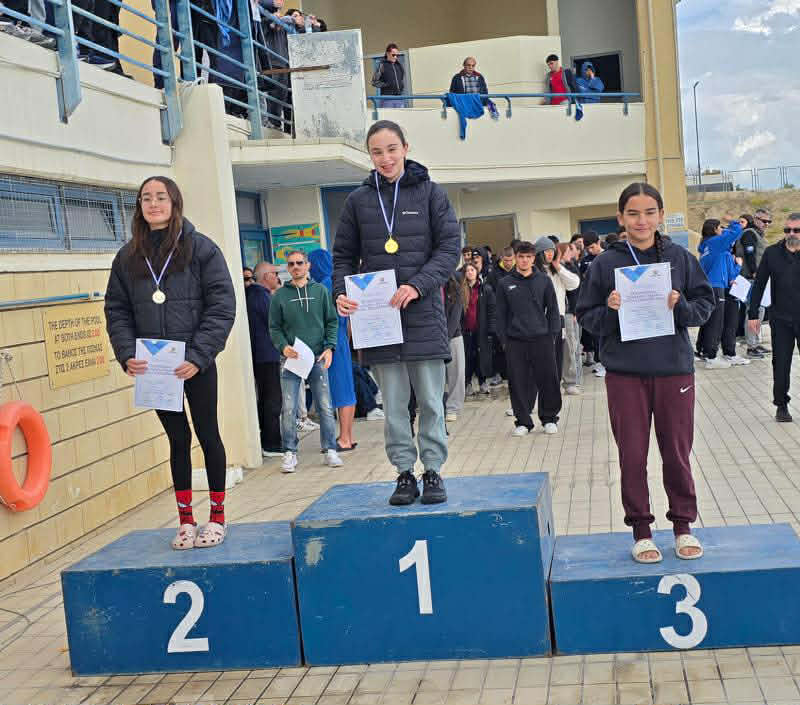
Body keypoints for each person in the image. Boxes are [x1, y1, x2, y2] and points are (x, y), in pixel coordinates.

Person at [576, 182, 715, 563]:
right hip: (626, 374)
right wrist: (610, 311)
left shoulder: (680, 258)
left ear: (660, 215)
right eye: (633, 213)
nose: (642, 221)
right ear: (620, 218)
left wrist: (680, 306)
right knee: (633, 455)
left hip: (673, 370)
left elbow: (705, 305)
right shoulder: (605, 263)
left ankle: (683, 525)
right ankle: (641, 530)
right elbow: (586, 315)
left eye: (650, 212)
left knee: (677, 452)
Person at [333, 120, 460, 506]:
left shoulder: (431, 194)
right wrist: (341, 293)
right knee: (393, 406)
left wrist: (417, 285)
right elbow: (343, 256)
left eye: (391, 149)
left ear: (405, 148)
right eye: (377, 152)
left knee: (431, 401)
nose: (385, 158)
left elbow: (449, 249)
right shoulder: (358, 201)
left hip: (423, 315)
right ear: (369, 156)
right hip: (378, 320)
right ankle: (404, 472)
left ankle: (433, 469)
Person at [105, 176, 235, 550]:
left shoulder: (201, 248)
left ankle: (217, 517)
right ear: (139, 206)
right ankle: (185, 521)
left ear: (174, 202)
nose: (153, 204)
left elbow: (222, 306)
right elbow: (116, 309)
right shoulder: (128, 256)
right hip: (156, 368)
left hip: (194, 364)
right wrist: (126, 353)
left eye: (161, 197)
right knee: (177, 439)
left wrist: (198, 356)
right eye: (146, 198)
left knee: (208, 433)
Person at [268, 250, 342, 472]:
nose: (296, 267)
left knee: (325, 406)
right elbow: (274, 327)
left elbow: (331, 321)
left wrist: (329, 347)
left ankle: (330, 449)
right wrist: (283, 346)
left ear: (308, 265)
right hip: (291, 359)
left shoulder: (320, 291)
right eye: (291, 264)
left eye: (300, 263)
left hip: (317, 357)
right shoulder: (279, 296)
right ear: (287, 268)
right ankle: (289, 452)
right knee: (289, 407)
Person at [495, 240, 562, 436]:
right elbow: (500, 314)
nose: (525, 260)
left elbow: (553, 309)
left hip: (542, 338)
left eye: (528, 257)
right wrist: (505, 341)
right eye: (521, 257)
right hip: (515, 341)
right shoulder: (505, 283)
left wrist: (552, 334)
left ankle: (549, 418)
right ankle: (523, 421)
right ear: (516, 258)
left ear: (534, 258)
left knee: (548, 379)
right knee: (518, 382)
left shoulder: (544, 280)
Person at [749, 213, 800, 423]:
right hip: (781, 319)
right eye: (787, 230)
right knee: (781, 364)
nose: (791, 234)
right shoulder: (772, 253)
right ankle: (781, 405)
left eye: (796, 230)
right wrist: (753, 314)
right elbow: (759, 284)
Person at [308, 249, 358, 451]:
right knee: (346, 387)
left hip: (330, 342)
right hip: (340, 340)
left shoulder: (324, 285)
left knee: (341, 390)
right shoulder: (337, 283)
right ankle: (347, 436)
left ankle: (344, 439)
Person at [696, 217, 747, 368]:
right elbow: (736, 231)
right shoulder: (715, 243)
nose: (723, 231)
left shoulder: (709, 247)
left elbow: (729, 273)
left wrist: (736, 267)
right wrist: (733, 222)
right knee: (715, 323)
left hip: (716, 286)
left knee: (717, 322)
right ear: (714, 229)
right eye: (720, 228)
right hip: (716, 286)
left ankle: (720, 353)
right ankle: (711, 357)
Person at [246, 262, 284, 457]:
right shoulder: (261, 296)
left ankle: (268, 441)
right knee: (272, 399)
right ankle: (271, 443)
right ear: (266, 276)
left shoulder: (253, 294)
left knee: (266, 398)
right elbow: (275, 323)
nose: (277, 277)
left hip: (260, 354)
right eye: (275, 273)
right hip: (266, 355)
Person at [534, 237, 579, 383]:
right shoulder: (534, 271)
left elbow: (574, 283)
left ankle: (564, 382)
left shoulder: (558, 270)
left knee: (562, 351)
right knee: (544, 354)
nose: (550, 254)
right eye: (546, 251)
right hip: (539, 320)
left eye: (552, 251)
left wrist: (558, 266)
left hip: (558, 318)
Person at [736, 209, 771, 359]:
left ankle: (755, 343)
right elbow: (750, 254)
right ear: (756, 219)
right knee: (754, 311)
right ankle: (751, 347)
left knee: (759, 310)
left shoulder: (757, 234)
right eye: (764, 221)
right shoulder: (750, 233)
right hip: (750, 278)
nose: (767, 224)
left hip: (755, 278)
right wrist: (755, 272)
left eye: (769, 222)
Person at [462, 262, 496, 395]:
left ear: (477, 272)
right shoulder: (461, 290)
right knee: (467, 357)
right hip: (466, 330)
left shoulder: (485, 289)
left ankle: (482, 382)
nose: (470, 272)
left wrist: (491, 328)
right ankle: (467, 383)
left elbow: (492, 310)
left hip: (481, 330)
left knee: (482, 357)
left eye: (472, 270)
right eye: (467, 270)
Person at [558, 242, 583, 394]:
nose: (570, 254)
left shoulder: (570, 267)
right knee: (565, 347)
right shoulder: (555, 269)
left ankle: (572, 381)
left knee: (571, 346)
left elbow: (576, 290)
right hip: (562, 312)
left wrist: (574, 311)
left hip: (570, 312)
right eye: (567, 251)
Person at [579, 231, 604, 375]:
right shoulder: (585, 260)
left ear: (598, 243)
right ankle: (599, 362)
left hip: (607, 300)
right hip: (592, 301)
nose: (590, 250)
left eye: (592, 247)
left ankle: (606, 363)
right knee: (595, 334)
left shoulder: (608, 257)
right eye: (587, 248)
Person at [444, 274, 467, 422]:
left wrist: (447, 337)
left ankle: (453, 407)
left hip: (453, 335)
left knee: (456, 374)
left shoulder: (454, 286)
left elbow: (455, 315)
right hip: (433, 337)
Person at [371, 44, 405, 108]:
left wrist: (401, 87)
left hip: (399, 98)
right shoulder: (382, 65)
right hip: (387, 98)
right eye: (393, 55)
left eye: (397, 55)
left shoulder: (399, 66)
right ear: (387, 54)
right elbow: (374, 82)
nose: (395, 57)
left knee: (400, 114)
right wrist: (386, 85)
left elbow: (401, 79)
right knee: (388, 115)